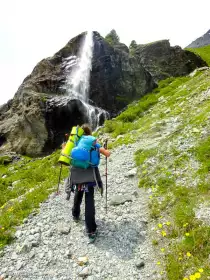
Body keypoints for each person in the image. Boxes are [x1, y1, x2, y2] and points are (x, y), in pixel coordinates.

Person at [69, 124, 110, 243]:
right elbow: (106, 153)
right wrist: (107, 151)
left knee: (78, 192)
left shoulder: (76, 141)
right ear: (90, 133)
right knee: (89, 199)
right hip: (90, 175)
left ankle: (75, 215)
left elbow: (66, 153)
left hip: (77, 175)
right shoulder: (93, 142)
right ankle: (91, 230)